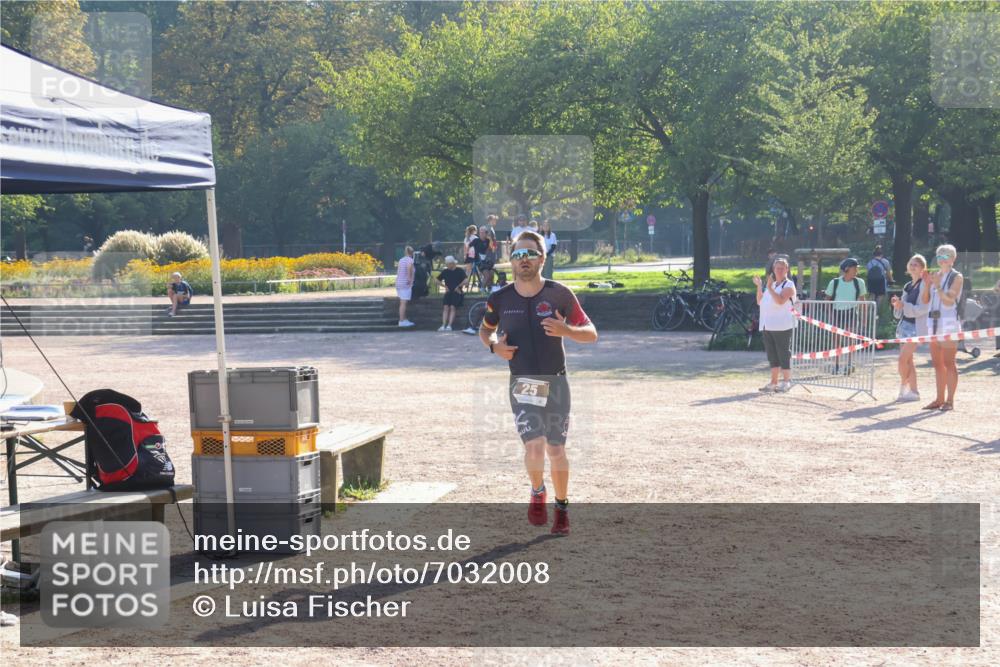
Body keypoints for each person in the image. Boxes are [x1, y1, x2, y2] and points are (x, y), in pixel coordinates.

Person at [479, 230, 598, 535]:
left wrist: (567, 330)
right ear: (511, 260)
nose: (524, 260)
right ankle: (536, 491)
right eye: (518, 255)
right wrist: (494, 347)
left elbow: (591, 333)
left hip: (556, 383)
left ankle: (561, 507)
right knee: (534, 448)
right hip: (523, 383)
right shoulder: (500, 298)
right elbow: (485, 331)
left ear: (542, 258)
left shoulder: (559, 294)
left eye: (530, 253)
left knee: (556, 450)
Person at [920, 244, 963, 410]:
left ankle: (950, 400)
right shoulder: (935, 275)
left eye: (945, 256)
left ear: (952, 259)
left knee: (949, 362)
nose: (941, 260)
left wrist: (937, 285)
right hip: (933, 324)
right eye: (939, 256)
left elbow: (948, 300)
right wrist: (926, 284)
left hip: (949, 323)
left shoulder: (956, 277)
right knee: (937, 364)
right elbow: (925, 300)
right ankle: (939, 399)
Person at [753, 257, 796, 393]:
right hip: (767, 325)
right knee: (772, 355)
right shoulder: (771, 285)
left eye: (782, 268)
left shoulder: (788, 285)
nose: (779, 270)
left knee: (783, 353)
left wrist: (770, 287)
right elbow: (760, 301)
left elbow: (780, 301)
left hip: (782, 325)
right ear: (773, 269)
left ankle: (786, 381)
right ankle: (773, 382)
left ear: (787, 270)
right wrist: (760, 286)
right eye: (777, 268)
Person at [890, 254, 929, 402]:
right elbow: (902, 308)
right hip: (904, 325)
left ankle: (903, 386)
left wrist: (904, 305)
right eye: (911, 264)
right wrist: (897, 303)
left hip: (916, 327)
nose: (913, 266)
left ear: (922, 268)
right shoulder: (907, 285)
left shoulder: (925, 285)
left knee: (902, 359)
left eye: (916, 265)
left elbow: (924, 308)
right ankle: (914, 392)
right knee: (908, 361)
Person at [824, 258, 868, 374]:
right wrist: (830, 316)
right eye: (855, 267)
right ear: (847, 269)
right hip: (837, 313)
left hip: (852, 313)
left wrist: (864, 319)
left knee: (850, 340)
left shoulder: (859, 282)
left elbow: (863, 301)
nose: (857, 269)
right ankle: (836, 365)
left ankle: (849, 364)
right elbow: (827, 300)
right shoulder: (835, 282)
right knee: (836, 341)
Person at [436, 256, 468, 331]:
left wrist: (459, 286)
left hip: (457, 292)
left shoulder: (460, 270)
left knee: (452, 307)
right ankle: (443, 325)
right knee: (445, 307)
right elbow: (437, 280)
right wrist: (444, 286)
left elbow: (466, 280)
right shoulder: (445, 271)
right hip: (448, 292)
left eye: (448, 264)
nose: (447, 266)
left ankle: (449, 325)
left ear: (452, 263)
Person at [395, 246, 416, 327]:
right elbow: (409, 269)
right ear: (412, 253)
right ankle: (401, 321)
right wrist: (410, 280)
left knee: (402, 302)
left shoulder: (401, 260)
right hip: (405, 284)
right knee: (403, 303)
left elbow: (399, 271)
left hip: (399, 283)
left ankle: (404, 318)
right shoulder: (410, 260)